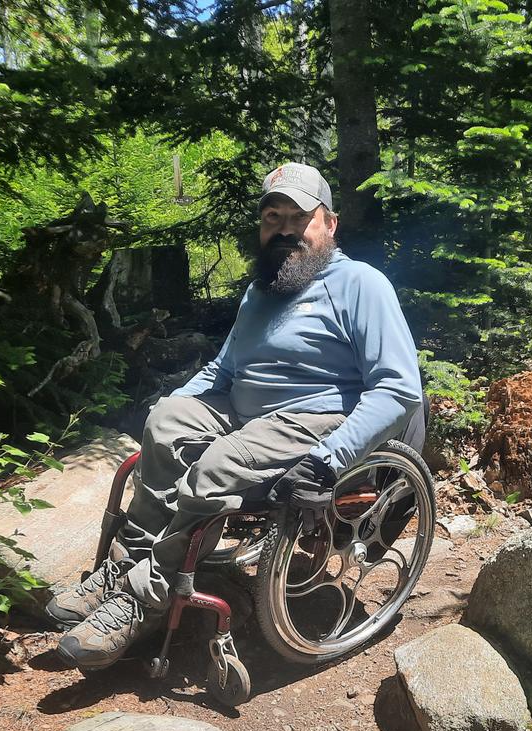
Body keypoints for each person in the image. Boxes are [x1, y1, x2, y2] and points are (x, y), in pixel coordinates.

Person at [49, 162, 423, 671]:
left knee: (218, 466)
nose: (285, 228)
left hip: (318, 418)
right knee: (165, 421)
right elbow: (222, 369)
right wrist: (177, 406)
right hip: (247, 415)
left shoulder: (361, 284)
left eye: (299, 216)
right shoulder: (262, 290)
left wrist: (331, 459)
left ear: (329, 224)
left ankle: (144, 601)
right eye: (273, 217)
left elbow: (398, 388)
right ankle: (125, 567)